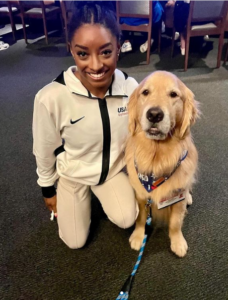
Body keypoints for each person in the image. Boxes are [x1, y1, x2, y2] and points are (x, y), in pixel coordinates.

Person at [32, 1, 139, 249]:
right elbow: (44, 149)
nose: (96, 65)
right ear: (71, 50)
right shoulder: (50, 98)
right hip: (73, 175)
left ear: (118, 48)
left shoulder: (130, 89)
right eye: (83, 53)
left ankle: (102, 195)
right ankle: (75, 197)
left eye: (105, 52)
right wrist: (47, 189)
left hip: (111, 171)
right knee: (75, 242)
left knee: (127, 218)